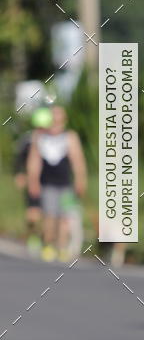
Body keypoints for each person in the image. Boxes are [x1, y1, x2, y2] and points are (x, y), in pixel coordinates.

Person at [26, 104, 87, 262]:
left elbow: (77, 160)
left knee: (65, 217)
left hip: (66, 184)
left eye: (59, 114)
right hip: (47, 184)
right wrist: (33, 181)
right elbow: (34, 161)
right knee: (50, 216)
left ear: (64, 118)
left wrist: (80, 180)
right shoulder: (39, 136)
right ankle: (48, 244)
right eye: (53, 114)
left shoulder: (69, 136)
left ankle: (62, 247)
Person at [13, 107, 53, 254]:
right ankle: (33, 235)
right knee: (33, 214)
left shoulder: (53, 141)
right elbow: (18, 159)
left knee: (49, 213)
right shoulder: (27, 140)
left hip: (50, 182)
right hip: (32, 181)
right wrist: (19, 174)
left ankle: (47, 241)